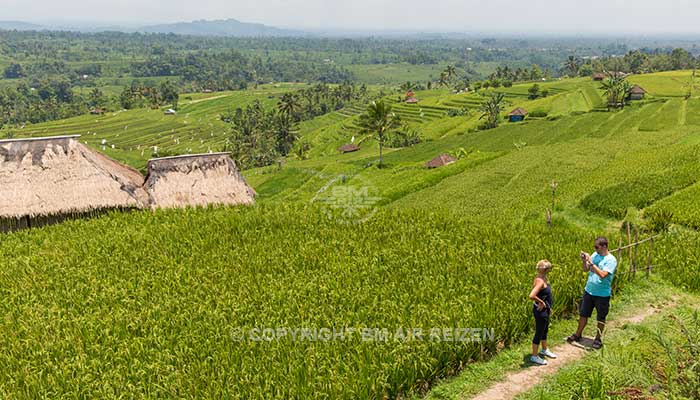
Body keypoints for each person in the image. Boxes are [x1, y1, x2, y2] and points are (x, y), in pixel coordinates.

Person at [566, 236, 618, 349]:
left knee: (601, 317)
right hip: (589, 291)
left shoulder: (611, 260)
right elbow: (586, 269)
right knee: (583, 314)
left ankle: (598, 338)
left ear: (604, 246)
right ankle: (578, 334)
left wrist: (592, 263)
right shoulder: (595, 255)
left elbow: (603, 275)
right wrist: (585, 261)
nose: (595, 249)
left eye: (597, 247)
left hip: (602, 294)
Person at [529, 259, 557, 365]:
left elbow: (545, 295)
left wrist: (548, 307)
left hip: (545, 310)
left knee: (544, 330)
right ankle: (534, 356)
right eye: (547, 268)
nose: (548, 270)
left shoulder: (543, 278)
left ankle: (544, 349)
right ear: (545, 270)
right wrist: (542, 303)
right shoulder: (540, 281)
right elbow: (532, 295)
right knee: (539, 332)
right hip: (540, 311)